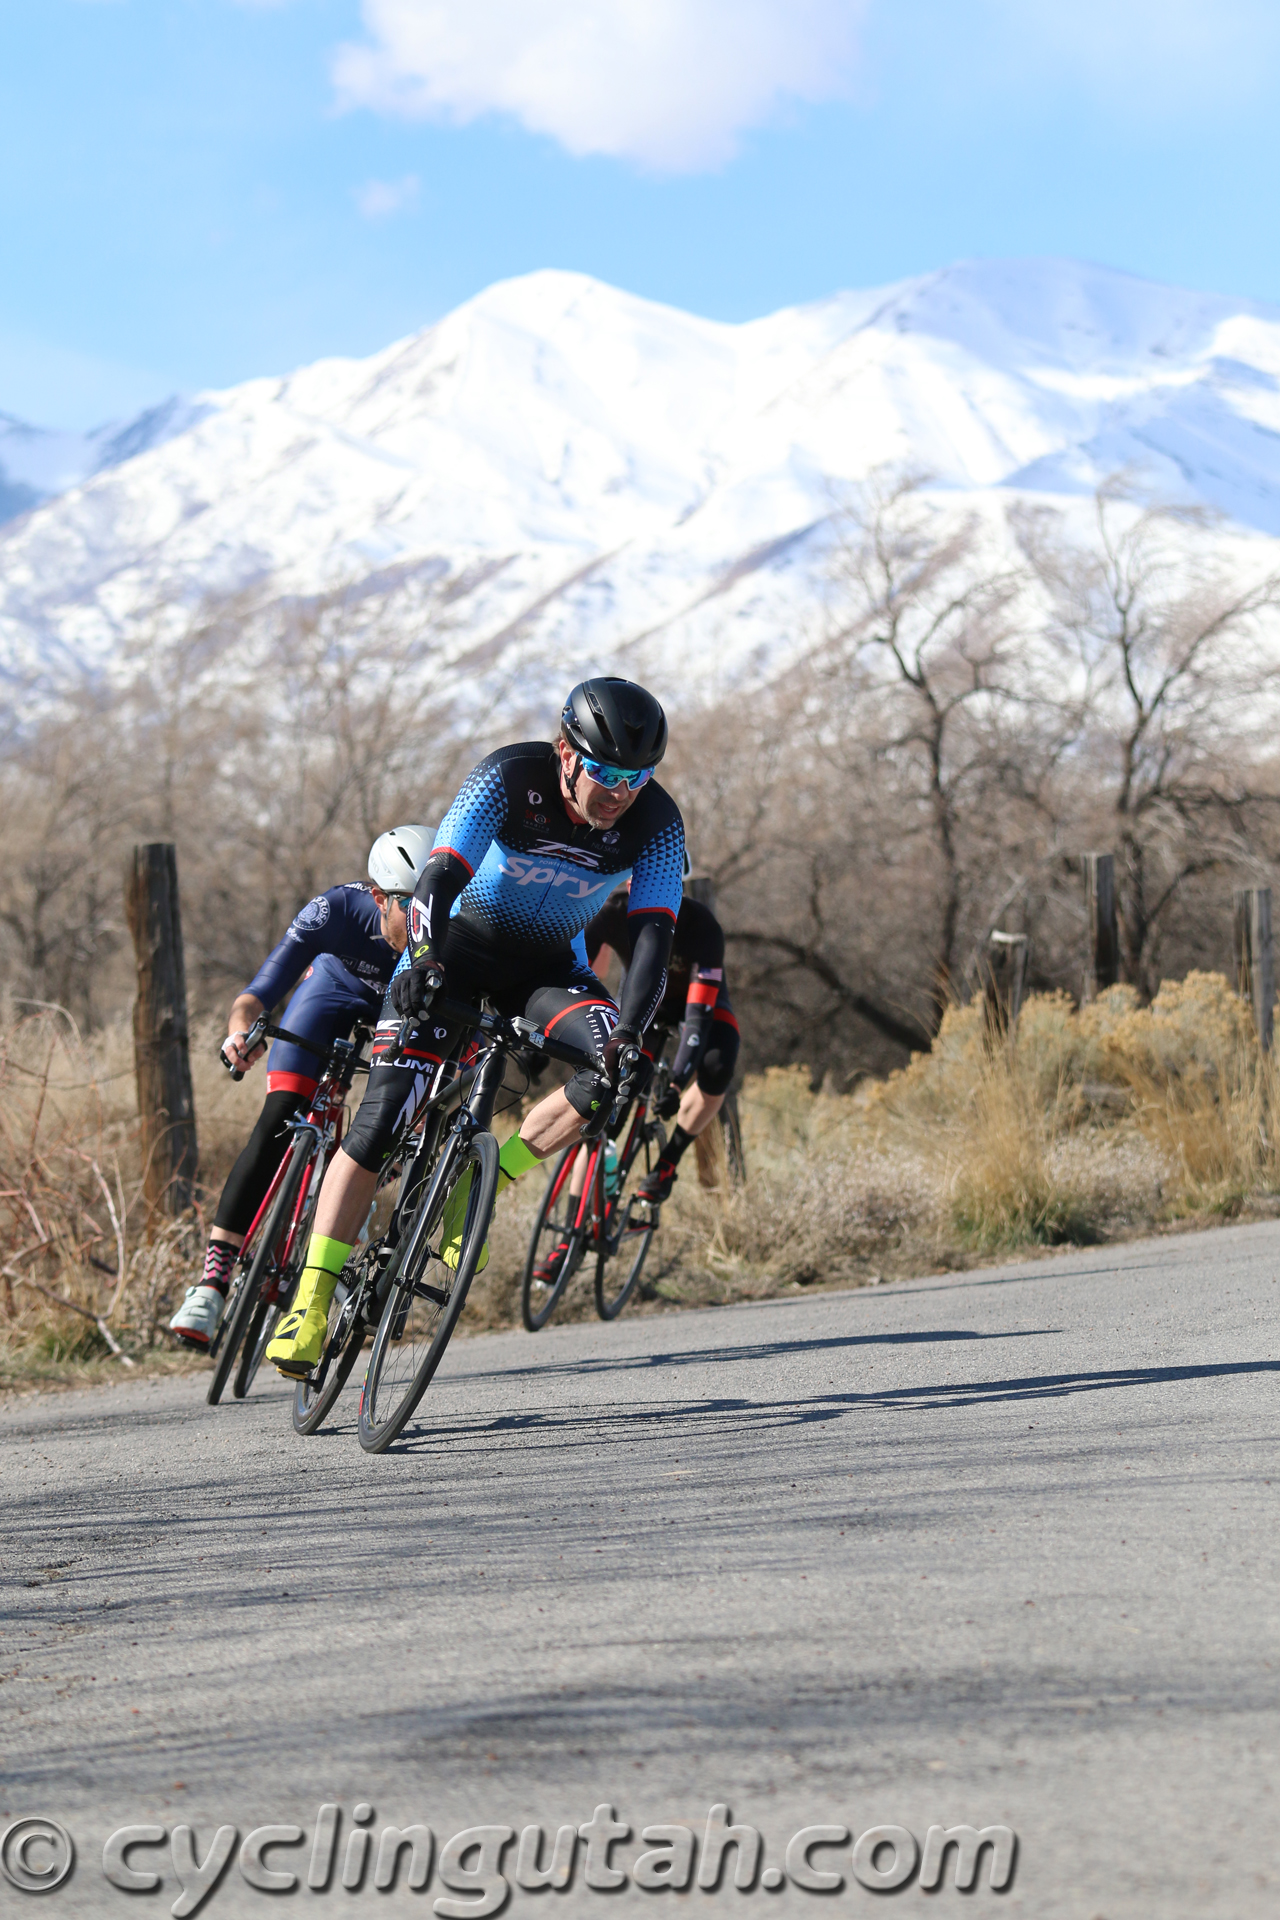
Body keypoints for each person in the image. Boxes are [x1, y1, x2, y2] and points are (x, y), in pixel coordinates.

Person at [265, 676, 684, 1375]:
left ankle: (471, 1193)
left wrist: (633, 1036)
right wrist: (422, 959)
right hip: (454, 951)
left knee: (613, 1066)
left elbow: (653, 941)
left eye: (636, 777)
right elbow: (437, 880)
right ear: (564, 753)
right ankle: (309, 1302)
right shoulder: (508, 776)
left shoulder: (658, 823)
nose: (620, 792)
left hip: (544, 970)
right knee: (379, 1121)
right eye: (606, 772)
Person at [167, 826, 434, 1349]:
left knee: (391, 1126)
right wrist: (240, 1034)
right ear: (380, 898)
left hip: (396, 1007)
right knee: (280, 1114)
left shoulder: (441, 929)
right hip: (331, 994)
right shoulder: (336, 909)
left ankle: (340, 1215)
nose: (426, 920)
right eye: (410, 907)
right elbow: (259, 992)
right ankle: (213, 1283)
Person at [585, 877, 739, 1203]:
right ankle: (576, 1223)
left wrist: (677, 1085)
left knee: (718, 1062)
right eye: (637, 887)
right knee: (607, 1105)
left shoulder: (702, 926)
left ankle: (667, 1162)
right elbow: (577, 974)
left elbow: (698, 1018)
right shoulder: (611, 910)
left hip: (693, 1005)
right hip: (644, 1004)